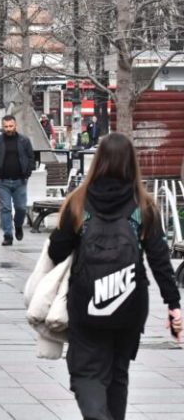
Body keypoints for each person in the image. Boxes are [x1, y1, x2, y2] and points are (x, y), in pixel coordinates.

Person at [48, 133, 182, 420]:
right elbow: (160, 260)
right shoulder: (143, 205)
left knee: (86, 372)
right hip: (130, 305)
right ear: (131, 164)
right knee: (118, 374)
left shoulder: (78, 202)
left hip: (87, 302)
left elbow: (57, 251)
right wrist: (173, 305)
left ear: (98, 162)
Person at [0, 115, 35, 246]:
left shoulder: (24, 141)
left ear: (15, 125)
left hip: (20, 181)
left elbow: (31, 158)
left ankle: (18, 225)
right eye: (5, 126)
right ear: (2, 126)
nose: (8, 129)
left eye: (10, 126)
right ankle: (7, 235)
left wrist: (27, 174)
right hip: (2, 182)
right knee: (5, 208)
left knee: (21, 208)